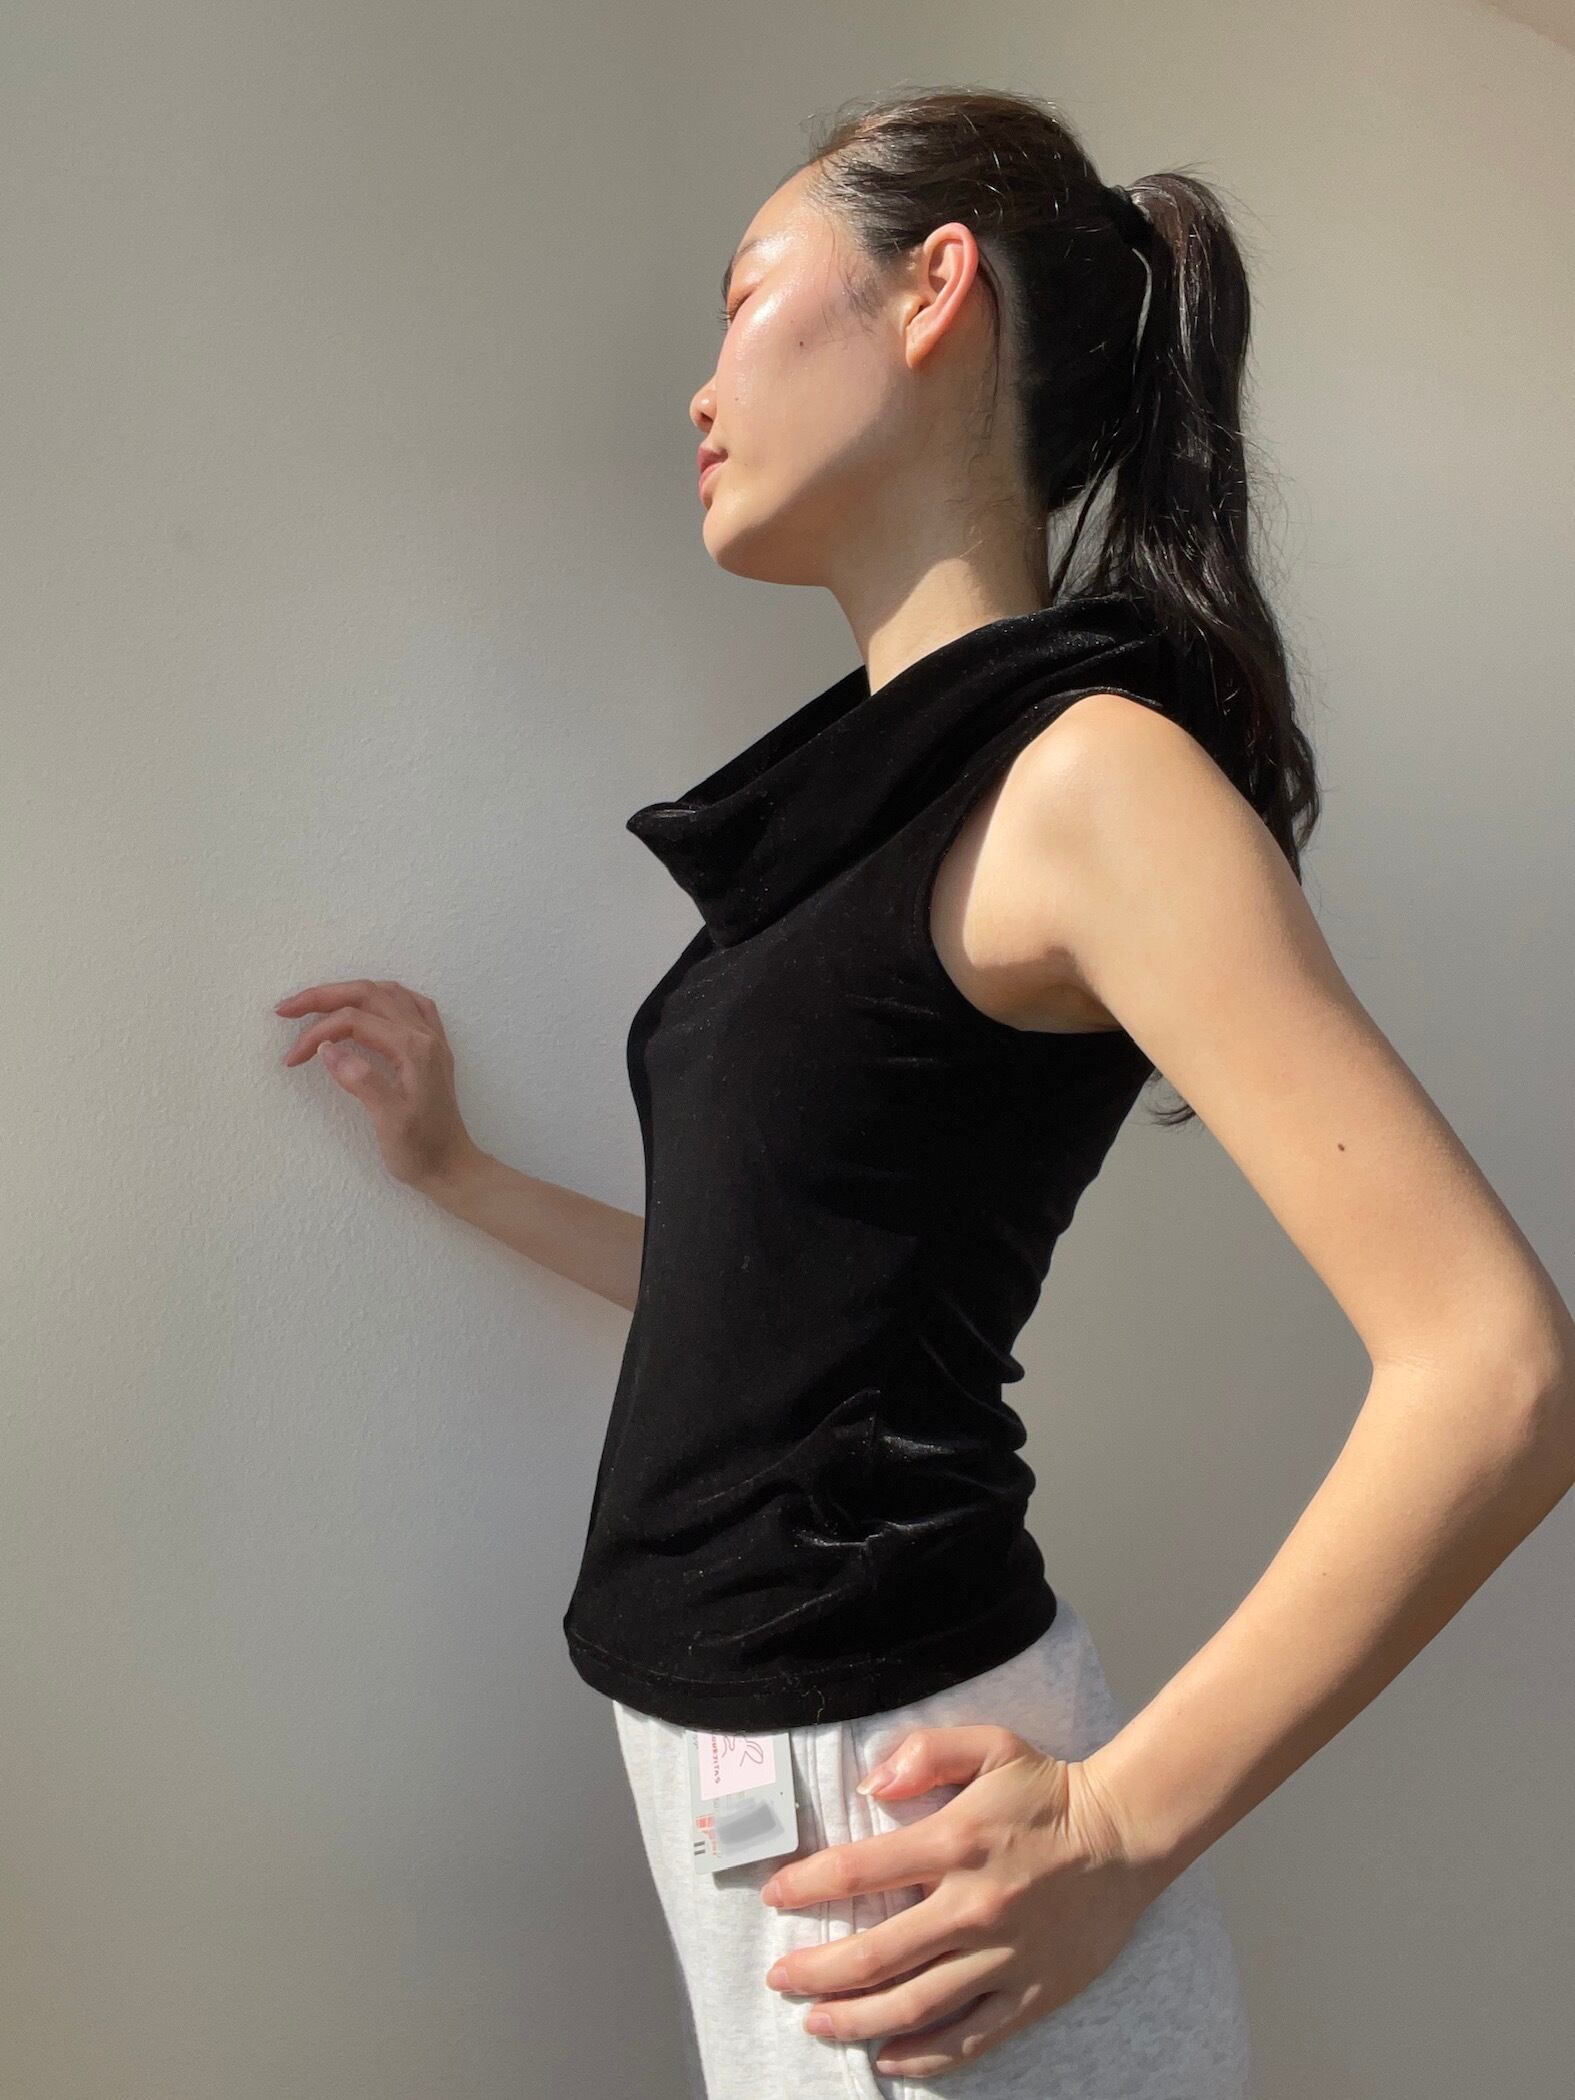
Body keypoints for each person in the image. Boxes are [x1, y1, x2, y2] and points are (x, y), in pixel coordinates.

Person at [273, 84, 1575, 2100]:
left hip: (905, 1843)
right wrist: (458, 1172)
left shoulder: (1088, 781)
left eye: (745, 296)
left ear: (931, 289)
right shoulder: (879, 802)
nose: (699, 384)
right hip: (766, 1813)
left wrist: (1122, 1825)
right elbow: (768, 1300)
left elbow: (1492, 1370)